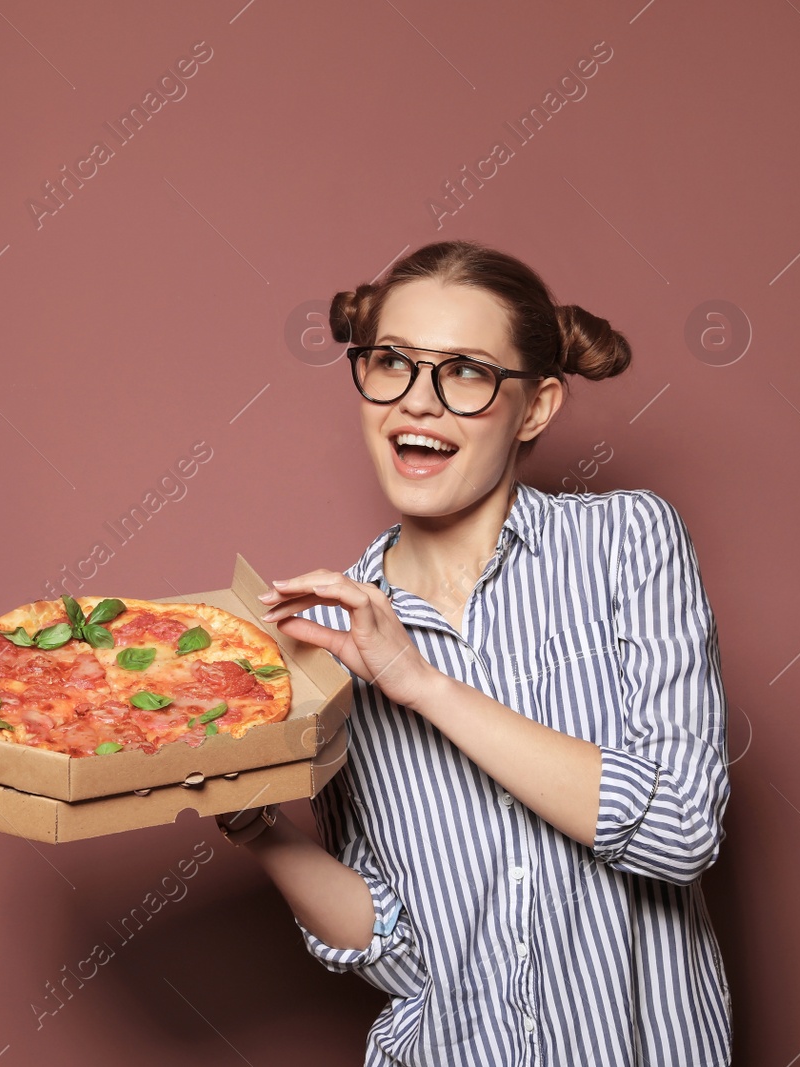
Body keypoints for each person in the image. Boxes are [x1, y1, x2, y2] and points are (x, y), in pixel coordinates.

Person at [217, 240, 732, 1064]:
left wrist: (420, 684)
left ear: (536, 406)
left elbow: (679, 828)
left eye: (465, 371)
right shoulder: (330, 635)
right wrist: (252, 823)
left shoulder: (629, 542)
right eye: (393, 362)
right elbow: (396, 947)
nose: (418, 402)